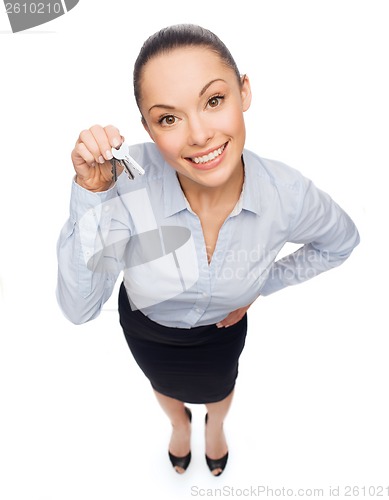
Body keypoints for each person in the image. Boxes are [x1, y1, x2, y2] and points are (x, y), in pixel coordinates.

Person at [56, 24, 360, 476]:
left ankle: (215, 426)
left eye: (214, 101)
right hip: (147, 328)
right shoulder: (122, 183)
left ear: (244, 92)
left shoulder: (288, 194)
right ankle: (179, 425)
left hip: (221, 331)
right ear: (148, 127)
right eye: (168, 118)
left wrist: (259, 285)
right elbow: (80, 308)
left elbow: (340, 244)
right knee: (162, 383)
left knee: (220, 388)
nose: (198, 135)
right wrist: (91, 195)